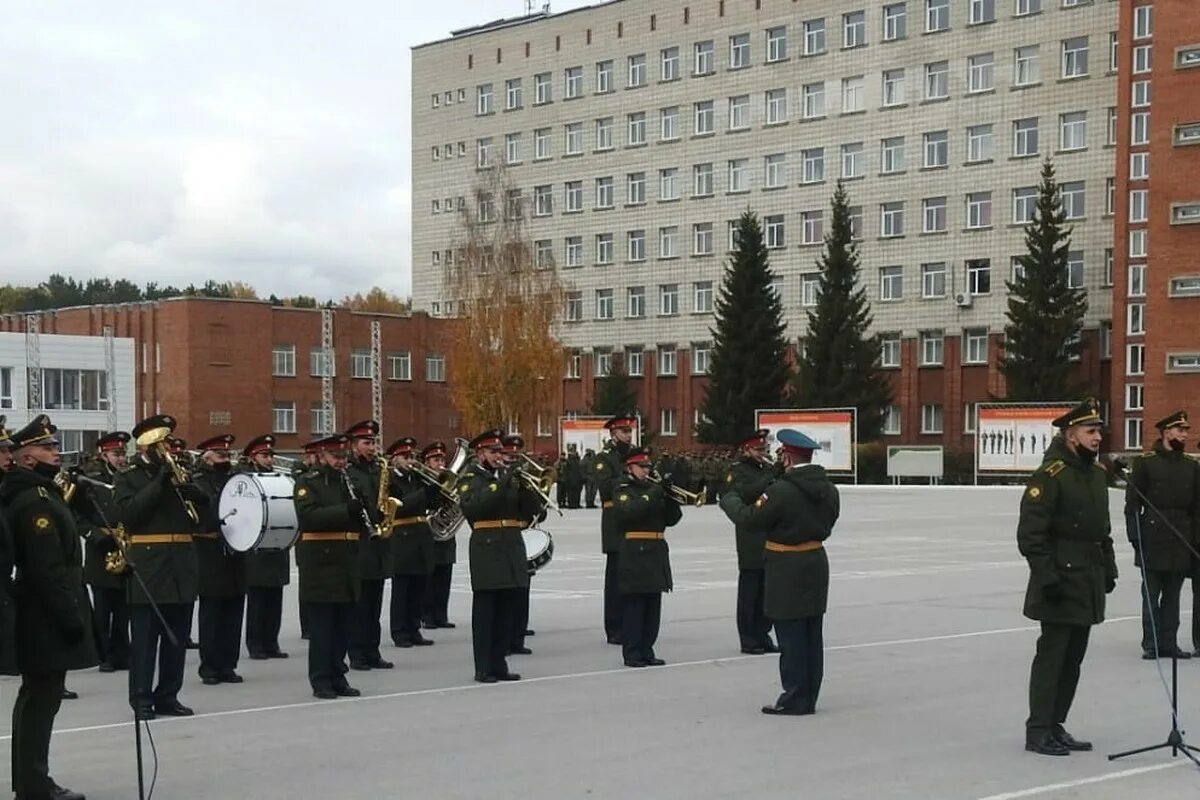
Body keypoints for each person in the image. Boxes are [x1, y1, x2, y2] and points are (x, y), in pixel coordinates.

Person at [1, 414, 96, 800]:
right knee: (41, 700)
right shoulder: (31, 500)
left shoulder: (42, 493)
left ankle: (33, 781)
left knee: (40, 699)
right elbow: (46, 568)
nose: (55, 452)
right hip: (43, 613)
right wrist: (70, 617)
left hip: (44, 608)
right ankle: (34, 785)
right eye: (46, 447)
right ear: (26, 458)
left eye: (55, 446)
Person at [1017, 398, 1117, 756]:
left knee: (1073, 658)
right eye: (1091, 431)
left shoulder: (1095, 474)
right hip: (1059, 580)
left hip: (1086, 578)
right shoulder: (1051, 475)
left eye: (1099, 431)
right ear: (1071, 435)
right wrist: (1048, 578)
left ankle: (1056, 724)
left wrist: (1109, 567)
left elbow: (1101, 529)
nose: (1097, 437)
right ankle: (1038, 730)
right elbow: (1031, 535)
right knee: (1053, 657)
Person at [720, 429, 839, 716]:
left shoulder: (781, 491)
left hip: (787, 567)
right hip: (815, 561)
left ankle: (795, 697)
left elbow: (750, 519)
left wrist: (730, 501)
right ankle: (808, 694)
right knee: (811, 634)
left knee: (791, 635)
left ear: (787, 456)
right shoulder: (829, 489)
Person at [115, 413, 204, 720]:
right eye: (161, 442)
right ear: (146, 445)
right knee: (144, 640)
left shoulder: (181, 472)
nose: (168, 447)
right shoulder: (129, 474)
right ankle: (141, 700)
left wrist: (199, 495)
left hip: (181, 563)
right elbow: (129, 514)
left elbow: (200, 517)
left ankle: (168, 695)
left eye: (167, 442)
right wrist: (160, 481)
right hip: (150, 566)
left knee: (175, 639)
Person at [457, 430, 536, 683]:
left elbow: (534, 512)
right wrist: (503, 482)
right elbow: (476, 506)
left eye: (500, 452)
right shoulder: (470, 477)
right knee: (486, 612)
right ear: (480, 454)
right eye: (493, 452)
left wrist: (527, 489)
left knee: (506, 610)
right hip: (487, 547)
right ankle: (484, 666)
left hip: (511, 546)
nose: (499, 457)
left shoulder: (506, 478)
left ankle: (500, 662)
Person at [293, 434, 362, 699]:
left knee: (344, 626)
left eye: (344, 457)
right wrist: (346, 510)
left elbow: (361, 516)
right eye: (336, 457)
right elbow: (308, 517)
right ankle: (321, 679)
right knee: (323, 628)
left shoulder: (349, 481)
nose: (341, 462)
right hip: (320, 561)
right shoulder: (307, 483)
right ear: (322, 456)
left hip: (347, 559)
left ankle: (338, 675)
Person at [1125, 410, 1198, 660]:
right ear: (1167, 432)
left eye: (1186, 431)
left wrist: (1194, 539)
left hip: (1180, 537)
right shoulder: (1146, 463)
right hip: (1153, 537)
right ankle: (1152, 643)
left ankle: (1169, 642)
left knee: (1173, 597)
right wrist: (1136, 539)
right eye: (1180, 430)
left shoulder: (1191, 466)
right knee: (1151, 594)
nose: (1185, 435)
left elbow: (1197, 508)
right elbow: (1132, 505)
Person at [612, 447, 681, 668]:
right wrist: (655, 492)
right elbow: (630, 512)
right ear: (629, 467)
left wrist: (670, 498)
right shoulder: (623, 488)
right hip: (635, 549)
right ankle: (632, 652)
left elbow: (672, 519)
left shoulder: (652, 489)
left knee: (653, 605)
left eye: (648, 466)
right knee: (635, 605)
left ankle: (647, 649)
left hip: (656, 548)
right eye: (641, 467)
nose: (646, 470)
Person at [192, 434, 246, 685]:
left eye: (227, 453)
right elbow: (204, 514)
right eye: (220, 454)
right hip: (210, 549)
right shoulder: (199, 481)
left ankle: (228, 664)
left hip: (235, 548)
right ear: (207, 456)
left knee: (234, 610)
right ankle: (210, 666)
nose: (225, 457)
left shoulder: (236, 479)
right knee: (212, 611)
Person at [78, 431, 131, 673]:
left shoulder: (127, 479)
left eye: (123, 453)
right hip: (102, 549)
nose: (121, 459)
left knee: (124, 607)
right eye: (116, 454)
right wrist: (97, 537)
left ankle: (123, 651)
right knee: (103, 607)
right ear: (104, 454)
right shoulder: (91, 480)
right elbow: (78, 517)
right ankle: (104, 654)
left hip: (126, 546)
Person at [344, 420, 393, 671]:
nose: (372, 447)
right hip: (359, 542)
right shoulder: (349, 471)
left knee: (374, 603)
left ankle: (373, 650)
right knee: (359, 604)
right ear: (353, 446)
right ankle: (357, 653)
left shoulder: (378, 468)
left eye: (373, 442)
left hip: (378, 543)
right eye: (366, 443)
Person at [726, 430, 779, 655]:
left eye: (763, 449)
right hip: (751, 538)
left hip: (770, 535)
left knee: (767, 591)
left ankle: (763, 633)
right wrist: (770, 476)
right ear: (746, 450)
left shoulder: (765, 469)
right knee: (750, 591)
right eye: (758, 450)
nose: (762, 453)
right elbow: (746, 494)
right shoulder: (737, 471)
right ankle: (748, 638)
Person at [242, 434, 291, 661]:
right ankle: (256, 644)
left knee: (274, 599)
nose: (269, 459)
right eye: (264, 455)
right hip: (256, 548)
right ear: (253, 457)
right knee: (258, 601)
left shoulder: (278, 478)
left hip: (277, 545)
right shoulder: (245, 480)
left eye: (271, 455)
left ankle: (271, 642)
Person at [385, 437, 436, 648]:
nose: (411, 461)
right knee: (402, 588)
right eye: (406, 457)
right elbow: (399, 506)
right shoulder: (389, 480)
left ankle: (414, 628)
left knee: (419, 586)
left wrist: (436, 491)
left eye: (412, 457)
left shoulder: (416, 478)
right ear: (395, 459)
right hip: (401, 535)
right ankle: (399, 631)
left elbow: (430, 504)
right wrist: (423, 493)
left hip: (421, 534)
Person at [590, 416, 635, 644]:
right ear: (613, 434)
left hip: (636, 520)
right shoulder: (604, 458)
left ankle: (631, 623)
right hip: (615, 520)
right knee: (616, 577)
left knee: (632, 577)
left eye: (629, 430)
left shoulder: (636, 455)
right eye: (623, 431)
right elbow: (606, 487)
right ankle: (614, 626)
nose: (628, 435)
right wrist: (630, 476)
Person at [501, 434, 543, 656]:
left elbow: (539, 512)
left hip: (524, 535)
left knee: (523, 587)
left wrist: (530, 490)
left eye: (516, 455)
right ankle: (505, 637)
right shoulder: (498, 478)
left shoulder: (523, 480)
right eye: (509, 454)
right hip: (504, 536)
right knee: (508, 590)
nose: (513, 458)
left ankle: (518, 636)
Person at [420, 441, 458, 630]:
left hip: (446, 535)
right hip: (428, 534)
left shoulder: (448, 479)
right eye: (436, 460)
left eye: (442, 459)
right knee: (429, 577)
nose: (440, 463)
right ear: (427, 463)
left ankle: (441, 615)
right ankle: (426, 615)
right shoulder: (423, 480)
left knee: (445, 576)